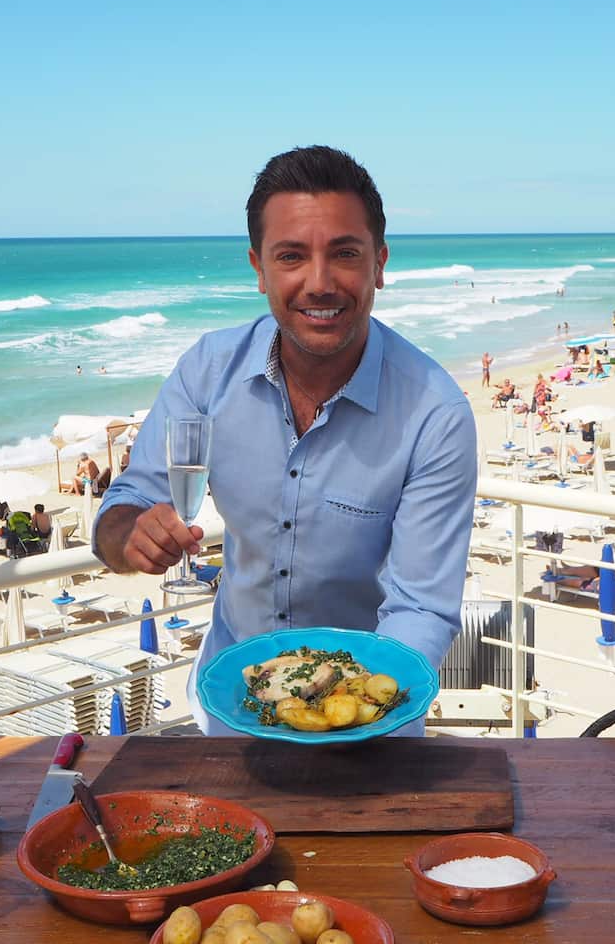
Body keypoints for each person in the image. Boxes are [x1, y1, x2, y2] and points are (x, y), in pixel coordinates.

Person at [92, 146, 477, 734]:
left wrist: (342, 712)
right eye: (292, 256)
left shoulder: (435, 412)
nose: (319, 283)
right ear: (259, 268)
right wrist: (132, 540)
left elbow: (420, 608)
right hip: (231, 704)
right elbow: (123, 510)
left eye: (345, 254)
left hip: (371, 721)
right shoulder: (207, 371)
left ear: (379, 264)